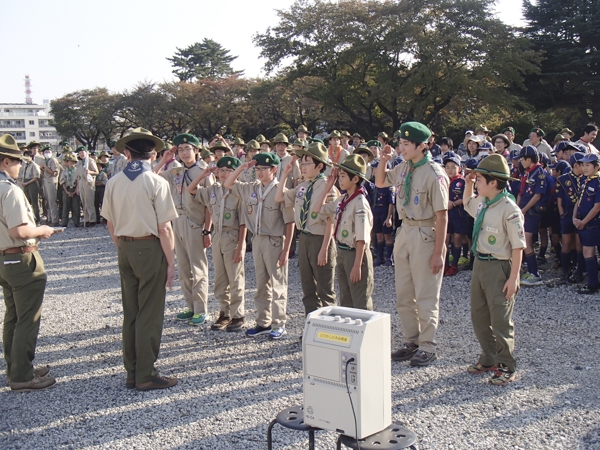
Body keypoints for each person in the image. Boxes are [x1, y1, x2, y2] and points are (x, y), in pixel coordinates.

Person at [102, 128, 178, 391]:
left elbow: (110, 224)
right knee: (150, 312)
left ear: (127, 153)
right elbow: (164, 228)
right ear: (154, 154)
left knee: (131, 311)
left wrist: (123, 246)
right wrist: (171, 262)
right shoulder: (157, 183)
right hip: (150, 248)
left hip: (124, 246)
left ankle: (132, 371)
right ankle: (146, 373)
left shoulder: (114, 182)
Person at [375, 122, 449, 367]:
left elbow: (442, 215)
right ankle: (412, 341)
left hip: (426, 232)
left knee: (425, 294)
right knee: (404, 294)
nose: (401, 148)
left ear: (422, 146)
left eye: (406, 144)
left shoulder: (434, 173)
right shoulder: (404, 167)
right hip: (405, 230)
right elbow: (381, 182)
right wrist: (384, 160)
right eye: (400, 143)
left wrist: (438, 252)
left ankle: (428, 346)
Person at [0, 134, 60, 391]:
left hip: (4, 259)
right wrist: (42, 230)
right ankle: (22, 376)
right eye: (16, 161)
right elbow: (20, 231)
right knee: (27, 318)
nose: (19, 166)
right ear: (5, 162)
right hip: (19, 256)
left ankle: (16, 367)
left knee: (13, 315)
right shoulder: (10, 190)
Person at [462, 154, 525, 386]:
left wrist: (514, 277)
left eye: (479, 179)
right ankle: (489, 357)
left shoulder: (509, 209)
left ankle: (506, 365)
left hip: (499, 266)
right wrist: (468, 183)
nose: (476, 182)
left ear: (493, 183)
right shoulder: (483, 202)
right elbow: (468, 204)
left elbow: (518, 247)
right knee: (479, 315)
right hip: (480, 263)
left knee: (500, 319)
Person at [224, 152, 295, 340]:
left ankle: (279, 323)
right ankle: (263, 322)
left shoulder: (281, 190)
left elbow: (290, 222)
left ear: (273, 170)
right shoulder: (251, 188)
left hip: (274, 240)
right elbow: (228, 184)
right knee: (261, 284)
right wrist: (242, 167)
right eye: (257, 169)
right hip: (256, 239)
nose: (259, 172)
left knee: (278, 283)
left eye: (263, 169)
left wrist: (286, 249)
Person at [154, 133, 213, 326]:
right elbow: (152, 177)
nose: (185, 153)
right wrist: (164, 159)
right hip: (177, 221)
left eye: (188, 149)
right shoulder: (175, 171)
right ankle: (191, 307)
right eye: (180, 149)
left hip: (195, 223)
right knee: (184, 268)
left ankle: (201, 309)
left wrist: (207, 230)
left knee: (198, 268)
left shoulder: (204, 172)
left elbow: (209, 205)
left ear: (197, 151)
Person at [275, 142, 338, 316]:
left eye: (306, 163)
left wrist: (325, 248)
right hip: (303, 238)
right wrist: (285, 174)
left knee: (325, 288)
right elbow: (279, 196)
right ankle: (312, 326)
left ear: (319, 166)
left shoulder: (328, 187)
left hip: (320, 239)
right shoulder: (303, 186)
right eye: (301, 163)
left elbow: (330, 221)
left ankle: (329, 330)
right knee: (308, 287)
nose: (302, 167)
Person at [187, 156, 247, 332]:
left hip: (233, 236)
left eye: (229, 171)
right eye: (221, 170)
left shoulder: (239, 192)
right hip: (218, 236)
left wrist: (241, 246)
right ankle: (224, 312)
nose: (224, 174)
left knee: (235, 278)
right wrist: (204, 174)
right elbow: (191, 190)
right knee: (220, 279)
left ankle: (238, 315)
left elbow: (243, 222)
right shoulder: (212, 190)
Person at [516, 146, 548, 286]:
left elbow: (537, 195)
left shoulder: (539, 173)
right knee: (522, 241)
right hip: (523, 210)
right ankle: (527, 269)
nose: (520, 161)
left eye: (522, 159)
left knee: (527, 242)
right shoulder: (527, 172)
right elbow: (522, 192)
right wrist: (517, 208)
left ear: (529, 159)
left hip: (532, 212)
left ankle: (534, 274)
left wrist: (523, 210)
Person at [573, 153, 600, 294]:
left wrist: (583, 221)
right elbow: (578, 201)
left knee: (588, 251)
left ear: (597, 167)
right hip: (582, 220)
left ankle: (592, 284)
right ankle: (593, 281)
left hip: (593, 222)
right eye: (583, 165)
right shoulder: (584, 180)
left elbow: (597, 206)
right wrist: (574, 218)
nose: (584, 168)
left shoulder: (598, 182)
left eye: (588, 165)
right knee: (587, 251)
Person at [444, 152, 469, 276]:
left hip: (458, 214)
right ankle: (445, 264)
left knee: (457, 239)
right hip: (446, 214)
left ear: (459, 168)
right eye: (447, 167)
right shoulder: (443, 181)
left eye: (453, 167)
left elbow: (466, 197)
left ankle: (454, 264)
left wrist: (453, 203)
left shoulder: (462, 182)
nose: (450, 170)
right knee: (445, 239)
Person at [75, 146, 99, 227]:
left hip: (88, 182)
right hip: (81, 182)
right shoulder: (79, 163)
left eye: (83, 152)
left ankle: (92, 219)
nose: (81, 154)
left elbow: (97, 172)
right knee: (83, 202)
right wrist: (78, 187)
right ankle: (87, 219)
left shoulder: (90, 161)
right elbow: (78, 176)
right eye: (80, 153)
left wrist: (90, 172)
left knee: (89, 201)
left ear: (86, 152)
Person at [39, 145, 60, 226]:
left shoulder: (52, 160)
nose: (47, 153)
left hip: (51, 182)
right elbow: (42, 174)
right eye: (46, 152)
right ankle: (50, 218)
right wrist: (41, 168)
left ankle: (55, 220)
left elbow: (54, 173)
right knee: (47, 202)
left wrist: (45, 167)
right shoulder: (45, 161)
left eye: (49, 152)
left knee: (52, 201)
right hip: (45, 181)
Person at [59, 153, 81, 227]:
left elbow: (79, 181)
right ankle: (64, 222)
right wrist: (66, 191)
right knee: (66, 206)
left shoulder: (77, 171)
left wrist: (75, 191)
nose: (71, 164)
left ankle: (76, 222)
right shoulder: (65, 171)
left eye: (73, 163)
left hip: (75, 189)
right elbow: (62, 182)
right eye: (70, 162)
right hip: (67, 189)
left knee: (76, 206)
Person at [20, 151, 41, 225]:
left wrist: (27, 183)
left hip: (32, 183)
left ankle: (37, 219)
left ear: (30, 157)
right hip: (26, 183)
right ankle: (29, 218)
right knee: (27, 202)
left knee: (34, 202)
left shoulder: (34, 165)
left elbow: (36, 177)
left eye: (26, 156)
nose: (25, 158)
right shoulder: (26, 165)